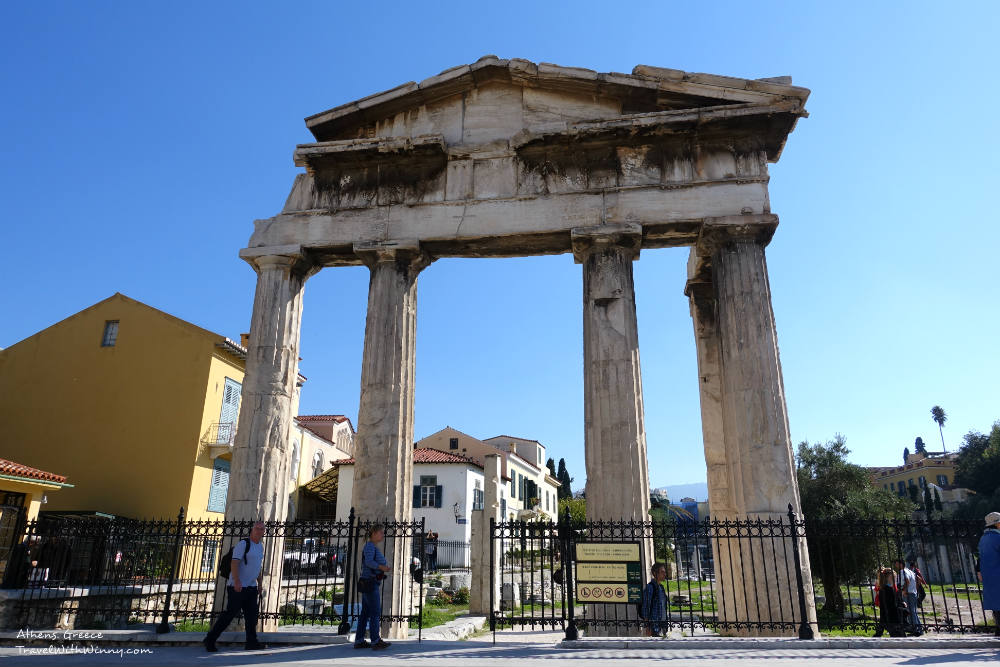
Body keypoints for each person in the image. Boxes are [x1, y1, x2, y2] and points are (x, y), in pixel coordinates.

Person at [204, 522, 268, 652]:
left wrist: (260, 584)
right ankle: (210, 639)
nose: (259, 531)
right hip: (237, 586)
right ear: (252, 530)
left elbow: (257, 567)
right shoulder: (243, 544)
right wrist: (237, 581)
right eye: (257, 528)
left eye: (262, 529)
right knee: (229, 614)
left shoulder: (260, 547)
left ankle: (251, 642)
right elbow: (234, 563)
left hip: (251, 587)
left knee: (252, 616)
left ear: (264, 532)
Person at [355, 525, 391, 651]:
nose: (382, 535)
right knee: (375, 612)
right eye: (381, 532)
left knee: (365, 613)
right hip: (370, 582)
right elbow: (369, 562)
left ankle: (359, 640)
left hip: (369, 582)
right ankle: (375, 641)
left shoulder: (371, 546)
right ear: (374, 533)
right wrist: (382, 568)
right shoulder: (370, 546)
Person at [979, 511, 1000, 637]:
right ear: (997, 524)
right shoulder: (998, 538)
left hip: (989, 576)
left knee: (996, 606)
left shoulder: (983, 539)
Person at [892, 558, 922, 635]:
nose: (895, 565)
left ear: (900, 564)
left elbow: (907, 581)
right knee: (913, 612)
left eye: (896, 563)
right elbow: (919, 579)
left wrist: (904, 590)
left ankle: (916, 630)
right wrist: (915, 589)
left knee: (911, 612)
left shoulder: (903, 571)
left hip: (908, 594)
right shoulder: (910, 571)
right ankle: (919, 629)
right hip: (913, 593)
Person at [873, 567, 904, 637]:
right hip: (891, 616)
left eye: (895, 577)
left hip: (893, 616)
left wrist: (901, 603)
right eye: (892, 577)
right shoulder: (885, 589)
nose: (894, 579)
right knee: (897, 636)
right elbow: (889, 603)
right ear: (887, 578)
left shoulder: (891, 588)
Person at [640, 562, 669, 637]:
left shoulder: (661, 587)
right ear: (655, 573)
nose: (664, 574)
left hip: (662, 625)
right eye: (662, 572)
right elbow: (646, 606)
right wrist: (647, 626)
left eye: (665, 572)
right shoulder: (650, 587)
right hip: (654, 626)